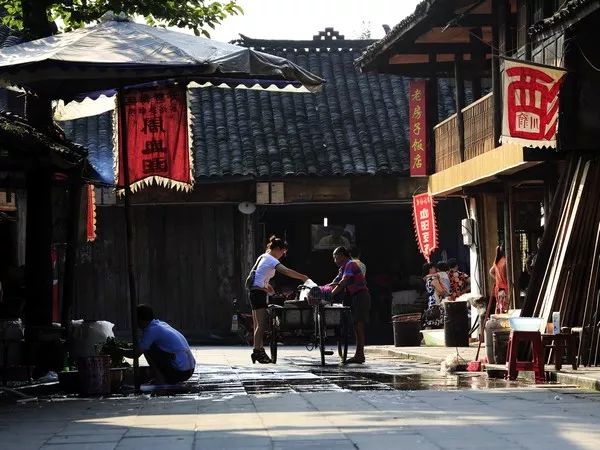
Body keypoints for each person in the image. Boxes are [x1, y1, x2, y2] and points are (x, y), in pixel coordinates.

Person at [248, 235, 309, 364]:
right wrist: (303, 277)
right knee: (261, 325)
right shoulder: (271, 259)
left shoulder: (263, 257)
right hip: (257, 293)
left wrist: (269, 287)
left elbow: (260, 276)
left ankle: (259, 350)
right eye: (282, 252)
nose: (282, 255)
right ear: (277, 249)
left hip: (256, 292)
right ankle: (257, 351)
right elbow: (286, 271)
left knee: (258, 325)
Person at [119, 304, 195, 384]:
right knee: (145, 346)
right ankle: (161, 376)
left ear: (139, 320)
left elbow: (136, 354)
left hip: (181, 372)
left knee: (147, 349)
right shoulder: (160, 324)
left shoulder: (151, 330)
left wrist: (119, 350)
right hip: (189, 369)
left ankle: (160, 378)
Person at [330, 246, 371, 364]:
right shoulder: (342, 268)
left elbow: (343, 282)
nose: (335, 261)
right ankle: (359, 354)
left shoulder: (350, 264)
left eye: (336, 257)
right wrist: (322, 291)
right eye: (334, 258)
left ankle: (360, 355)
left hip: (361, 295)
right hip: (355, 297)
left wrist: (330, 295)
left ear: (343, 256)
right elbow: (335, 283)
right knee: (356, 325)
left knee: (359, 325)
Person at [421, 262, 447, 329]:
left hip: (431, 303)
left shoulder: (428, 279)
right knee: (441, 324)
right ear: (430, 269)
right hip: (437, 303)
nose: (435, 269)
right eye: (434, 268)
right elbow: (441, 291)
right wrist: (445, 291)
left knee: (430, 324)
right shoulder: (433, 278)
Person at [489, 245, 509, 314]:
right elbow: (506, 275)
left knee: (499, 306)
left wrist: (497, 279)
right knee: (504, 309)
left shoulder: (497, 261)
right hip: (505, 287)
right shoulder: (506, 262)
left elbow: (491, 272)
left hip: (498, 287)